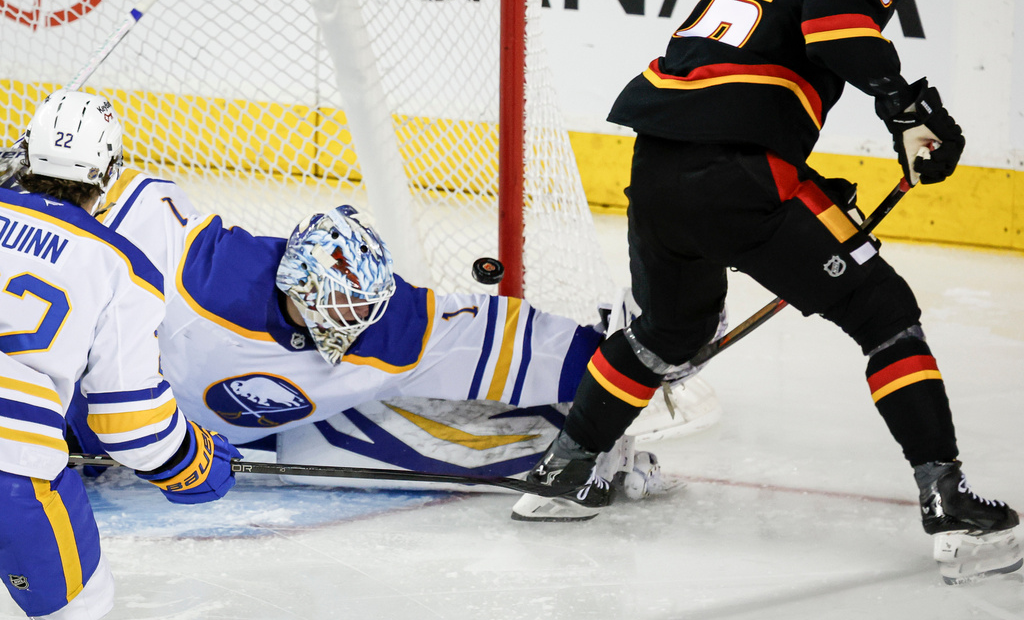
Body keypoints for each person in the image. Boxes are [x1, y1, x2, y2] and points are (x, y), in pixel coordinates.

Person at [510, 0, 1020, 583]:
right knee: (886, 313)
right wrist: (903, 107)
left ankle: (565, 473)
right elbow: (836, 30)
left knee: (666, 331)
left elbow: (732, 78)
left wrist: (804, 185)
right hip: (741, 173)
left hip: (657, 169)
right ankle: (949, 508)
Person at [61, 167, 714, 492]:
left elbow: (493, 336)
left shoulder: (384, 321)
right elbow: (133, 199)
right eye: (341, 314)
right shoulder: (200, 273)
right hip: (104, 419)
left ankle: (596, 456)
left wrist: (622, 362)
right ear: (300, 292)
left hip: (266, 434)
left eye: (362, 314)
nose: (356, 328)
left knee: (417, 440)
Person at [0, 90, 240, 620]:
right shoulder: (120, 266)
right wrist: (188, 461)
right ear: (109, 172)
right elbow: (130, 423)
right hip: (13, 475)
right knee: (80, 609)